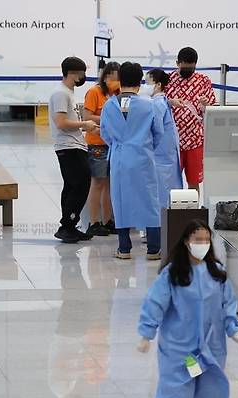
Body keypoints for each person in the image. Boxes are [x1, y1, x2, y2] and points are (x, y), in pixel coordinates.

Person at [136, 219, 238, 398]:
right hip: (181, 350)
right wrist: (147, 334)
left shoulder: (216, 273)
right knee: (179, 394)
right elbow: (155, 303)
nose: (202, 244)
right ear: (187, 242)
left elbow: (228, 304)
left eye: (206, 240)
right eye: (197, 240)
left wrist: (233, 329)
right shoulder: (174, 274)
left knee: (211, 393)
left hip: (210, 349)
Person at [100, 62, 163, 260]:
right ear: (140, 80)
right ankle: (153, 248)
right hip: (143, 157)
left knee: (120, 200)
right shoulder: (149, 105)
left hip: (119, 158)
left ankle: (124, 248)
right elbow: (159, 133)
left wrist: (119, 144)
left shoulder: (109, 104)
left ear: (120, 80)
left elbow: (104, 133)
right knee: (149, 200)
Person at [49, 57, 99, 244]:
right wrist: (84, 124)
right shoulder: (61, 94)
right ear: (73, 73)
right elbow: (61, 123)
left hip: (75, 145)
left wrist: (86, 127)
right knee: (80, 185)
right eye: (82, 73)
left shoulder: (68, 93)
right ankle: (67, 225)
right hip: (68, 146)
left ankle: (70, 225)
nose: (84, 77)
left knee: (71, 186)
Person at [165, 47, 216, 192]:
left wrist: (206, 104)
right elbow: (157, 104)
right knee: (171, 183)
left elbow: (212, 108)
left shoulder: (203, 81)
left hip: (195, 139)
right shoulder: (167, 80)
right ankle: (171, 213)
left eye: (191, 68)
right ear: (177, 63)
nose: (188, 71)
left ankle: (193, 213)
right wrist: (170, 102)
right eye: (185, 68)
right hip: (173, 141)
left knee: (194, 182)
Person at [83, 61, 121, 237]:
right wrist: (106, 118)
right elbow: (87, 116)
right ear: (105, 78)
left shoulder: (118, 95)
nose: (116, 82)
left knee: (109, 184)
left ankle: (107, 221)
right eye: (113, 79)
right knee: (97, 182)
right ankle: (93, 221)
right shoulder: (94, 92)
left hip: (113, 144)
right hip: (97, 144)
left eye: (119, 79)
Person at [142, 69, 183, 210]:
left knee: (160, 195)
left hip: (160, 156)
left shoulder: (157, 103)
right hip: (167, 155)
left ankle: (159, 228)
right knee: (166, 193)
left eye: (148, 82)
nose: (144, 86)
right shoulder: (163, 101)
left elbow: (156, 129)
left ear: (158, 85)